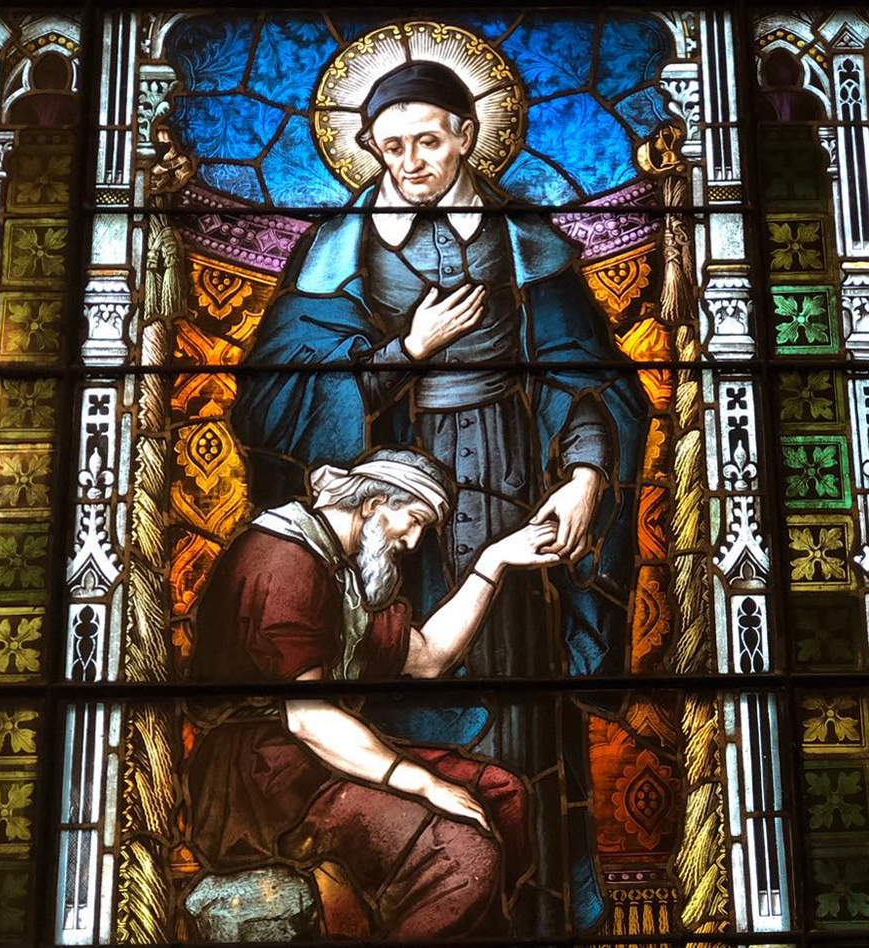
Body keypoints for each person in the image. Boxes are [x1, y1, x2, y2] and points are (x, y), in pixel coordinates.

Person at [232, 60, 648, 930]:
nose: (411, 162)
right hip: (394, 517)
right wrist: (404, 354)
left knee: (519, 695)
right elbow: (272, 400)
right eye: (391, 147)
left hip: (512, 492)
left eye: (427, 140)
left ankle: (535, 914)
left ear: (467, 134)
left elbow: (587, 375)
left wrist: (582, 477)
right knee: (404, 679)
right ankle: (424, 899)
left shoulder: (523, 239)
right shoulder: (337, 250)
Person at [187, 448, 561, 938]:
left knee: (501, 793)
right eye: (414, 520)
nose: (412, 541)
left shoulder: (333, 569)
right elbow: (308, 717)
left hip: (313, 761)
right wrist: (424, 784)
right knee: (457, 855)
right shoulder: (284, 561)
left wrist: (494, 562)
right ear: (373, 504)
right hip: (261, 778)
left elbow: (428, 656)